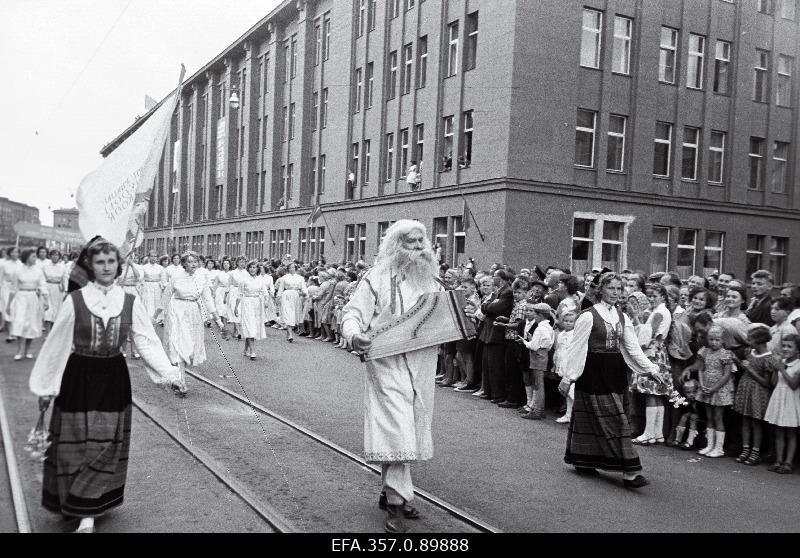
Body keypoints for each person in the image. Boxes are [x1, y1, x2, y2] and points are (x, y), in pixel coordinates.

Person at [29, 238, 185, 533]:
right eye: (99, 262)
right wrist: (46, 387)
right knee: (75, 443)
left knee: (103, 443)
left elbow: (147, 341)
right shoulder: (74, 301)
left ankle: (87, 512)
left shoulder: (129, 301)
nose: (106, 267)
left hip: (113, 376)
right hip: (78, 375)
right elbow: (57, 345)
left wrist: (170, 376)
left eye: (111, 261)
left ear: (118, 266)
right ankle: (76, 502)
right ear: (90, 265)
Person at [342, 220, 442, 533]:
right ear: (396, 245)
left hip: (422, 363)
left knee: (408, 428)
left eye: (420, 242)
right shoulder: (378, 276)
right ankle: (397, 504)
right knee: (397, 429)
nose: (417, 248)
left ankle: (390, 492)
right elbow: (353, 313)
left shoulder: (431, 279)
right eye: (410, 242)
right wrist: (354, 334)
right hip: (386, 360)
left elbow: (441, 313)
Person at [559, 272, 658, 488]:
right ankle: (630, 472)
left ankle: (584, 459)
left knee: (611, 418)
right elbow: (577, 348)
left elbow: (631, 347)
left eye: (619, 289)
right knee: (614, 422)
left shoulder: (622, 317)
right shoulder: (588, 315)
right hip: (593, 373)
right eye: (611, 288)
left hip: (615, 372)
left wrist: (650, 368)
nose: (615, 292)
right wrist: (569, 377)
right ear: (600, 290)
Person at [157, 251, 224, 388]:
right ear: (183, 264)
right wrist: (155, 315)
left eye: (195, 261)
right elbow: (165, 297)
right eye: (190, 261)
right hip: (177, 311)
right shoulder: (176, 277)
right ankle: (182, 381)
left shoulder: (201, 278)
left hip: (193, 312)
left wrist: (217, 319)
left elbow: (208, 299)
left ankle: (178, 374)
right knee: (180, 344)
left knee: (189, 347)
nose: (193, 264)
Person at [683, 325, 734, 458]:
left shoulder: (725, 354)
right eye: (711, 339)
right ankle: (710, 445)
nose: (713, 342)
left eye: (717, 340)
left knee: (718, 417)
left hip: (719, 390)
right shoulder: (704, 352)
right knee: (709, 416)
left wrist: (713, 388)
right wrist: (703, 385)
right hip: (706, 388)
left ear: (722, 340)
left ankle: (719, 447)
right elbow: (701, 369)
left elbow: (726, 375)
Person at [631, 284, 673, 445]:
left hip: (653, 354)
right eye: (649, 296)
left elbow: (647, 335)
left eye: (655, 296)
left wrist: (636, 318)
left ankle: (649, 433)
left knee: (651, 393)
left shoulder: (660, 312)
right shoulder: (661, 311)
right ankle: (657, 433)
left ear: (663, 296)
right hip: (658, 353)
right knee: (656, 394)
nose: (651, 299)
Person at [732, 325, 779, 466]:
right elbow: (745, 367)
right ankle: (745, 450)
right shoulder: (750, 352)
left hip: (758, 393)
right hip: (746, 390)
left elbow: (766, 383)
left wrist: (749, 369)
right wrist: (738, 362)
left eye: (750, 339)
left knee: (755, 423)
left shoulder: (769, 359)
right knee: (745, 421)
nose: (748, 341)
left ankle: (755, 452)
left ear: (759, 341)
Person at [764, 334, 800, 474]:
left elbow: (793, 384)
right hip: (779, 397)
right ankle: (778, 460)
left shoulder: (798, 364)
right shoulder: (782, 361)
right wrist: (774, 369)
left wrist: (781, 369)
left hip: (791, 400)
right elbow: (774, 382)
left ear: (797, 350)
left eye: (789, 346)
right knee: (778, 431)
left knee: (790, 433)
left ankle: (788, 462)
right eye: (783, 345)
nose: (785, 348)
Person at [8, 248, 49, 360]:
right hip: (21, 298)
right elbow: (13, 289)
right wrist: (8, 305)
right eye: (33, 256)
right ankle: (19, 351)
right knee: (20, 322)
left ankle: (27, 350)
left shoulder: (38, 271)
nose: (35, 258)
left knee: (32, 324)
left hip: (33, 298)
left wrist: (46, 300)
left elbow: (43, 286)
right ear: (27, 257)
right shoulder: (18, 271)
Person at [518, 302, 555, 419]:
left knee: (538, 385)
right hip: (543, 356)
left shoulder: (540, 328)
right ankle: (540, 409)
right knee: (539, 384)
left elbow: (533, 346)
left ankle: (537, 411)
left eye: (535, 313)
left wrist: (525, 341)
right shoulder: (548, 327)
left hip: (537, 357)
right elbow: (549, 342)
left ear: (539, 315)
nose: (533, 315)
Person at [235, 260, 268, 359]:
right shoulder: (243, 280)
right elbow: (239, 294)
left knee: (254, 326)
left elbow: (265, 292)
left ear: (257, 269)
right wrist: (236, 307)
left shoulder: (260, 280)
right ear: (248, 268)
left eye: (254, 267)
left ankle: (245, 349)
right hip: (247, 303)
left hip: (257, 304)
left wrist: (266, 302)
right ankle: (253, 351)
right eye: (251, 267)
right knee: (250, 325)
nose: (252, 269)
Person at [117, 252, 143, 358]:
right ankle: (123, 350)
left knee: (134, 324)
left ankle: (134, 350)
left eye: (130, 257)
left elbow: (138, 277)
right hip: (122, 292)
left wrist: (132, 265)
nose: (128, 258)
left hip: (133, 292)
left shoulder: (136, 267)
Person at [553, 310, 577, 423]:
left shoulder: (576, 335)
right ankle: (568, 414)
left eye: (571, 321)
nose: (568, 323)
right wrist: (555, 365)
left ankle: (570, 415)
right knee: (566, 392)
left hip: (572, 366)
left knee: (571, 391)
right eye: (566, 321)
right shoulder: (561, 334)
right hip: (562, 365)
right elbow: (558, 351)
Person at [276, 262, 307, 343]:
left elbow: (304, 288)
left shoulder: (300, 278)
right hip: (286, 296)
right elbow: (281, 289)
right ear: (288, 269)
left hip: (296, 296)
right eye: (290, 268)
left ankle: (289, 331)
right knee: (287, 313)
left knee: (294, 314)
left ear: (295, 268)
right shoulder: (284, 278)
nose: (291, 269)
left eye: (293, 267)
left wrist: (305, 294)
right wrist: (278, 297)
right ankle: (290, 334)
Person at [0, 247, 23, 337]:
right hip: (6, 287)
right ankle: (10, 333)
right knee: (7, 308)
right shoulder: (4, 264)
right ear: (9, 253)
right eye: (13, 252)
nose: (15, 254)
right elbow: (0, 278)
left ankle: (16, 330)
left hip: (18, 288)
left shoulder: (21, 264)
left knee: (16, 309)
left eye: (16, 252)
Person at [42, 249, 66, 335]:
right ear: (50, 256)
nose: (55, 256)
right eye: (53, 255)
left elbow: (65, 279)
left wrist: (65, 290)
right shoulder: (45, 266)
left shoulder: (63, 267)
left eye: (57, 255)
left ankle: (53, 332)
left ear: (59, 257)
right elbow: (42, 279)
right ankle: (47, 332)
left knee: (56, 309)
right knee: (48, 310)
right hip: (47, 288)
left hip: (58, 289)